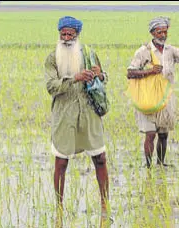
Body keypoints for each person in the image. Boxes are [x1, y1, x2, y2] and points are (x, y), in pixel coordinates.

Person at [44, 16, 109, 225]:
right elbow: (51, 86)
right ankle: (59, 208)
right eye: (62, 34)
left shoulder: (89, 54)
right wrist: (75, 78)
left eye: (70, 34)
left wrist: (99, 75)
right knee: (61, 161)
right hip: (64, 116)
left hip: (89, 114)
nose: (66, 38)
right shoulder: (53, 58)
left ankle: (104, 205)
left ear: (77, 35)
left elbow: (103, 78)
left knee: (100, 158)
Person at [127, 16, 179, 169]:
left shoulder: (170, 50)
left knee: (163, 134)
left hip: (165, 99)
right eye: (159, 32)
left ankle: (160, 164)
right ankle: (148, 166)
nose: (162, 35)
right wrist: (150, 71)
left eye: (164, 32)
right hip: (147, 98)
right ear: (152, 33)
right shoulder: (143, 52)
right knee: (150, 134)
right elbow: (130, 72)